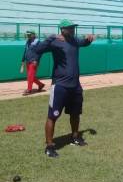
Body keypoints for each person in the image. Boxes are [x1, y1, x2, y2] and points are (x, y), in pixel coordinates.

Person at [35, 20, 95, 158]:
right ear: (62, 29)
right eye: (70, 28)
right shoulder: (55, 41)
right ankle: (49, 146)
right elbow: (38, 50)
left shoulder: (74, 40)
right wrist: (51, 37)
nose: (73, 30)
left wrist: (89, 39)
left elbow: (83, 42)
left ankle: (75, 137)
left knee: (75, 114)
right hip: (60, 86)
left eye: (74, 28)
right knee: (53, 115)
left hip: (75, 85)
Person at [20, 30, 45, 95]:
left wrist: (36, 60)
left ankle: (29, 90)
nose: (28, 35)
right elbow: (25, 52)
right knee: (31, 77)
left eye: (29, 34)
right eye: (27, 34)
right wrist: (22, 63)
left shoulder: (38, 42)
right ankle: (41, 85)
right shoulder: (28, 42)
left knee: (30, 76)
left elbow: (40, 52)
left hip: (33, 61)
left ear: (33, 35)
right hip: (27, 61)